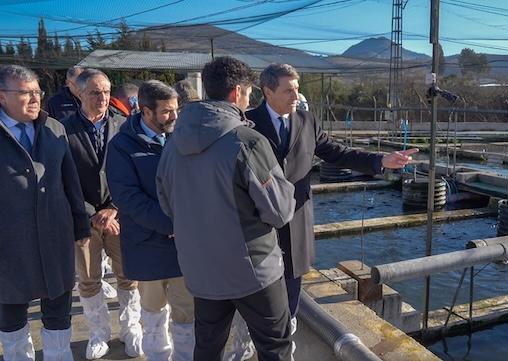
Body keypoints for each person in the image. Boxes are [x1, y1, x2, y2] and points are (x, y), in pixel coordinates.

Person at [245, 63, 417, 353]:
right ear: (267, 91)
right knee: (256, 297)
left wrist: (380, 161)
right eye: (288, 90)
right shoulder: (247, 122)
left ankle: (286, 348)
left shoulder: (306, 120)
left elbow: (337, 152)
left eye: (297, 89)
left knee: (291, 295)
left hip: (297, 220)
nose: (295, 96)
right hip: (258, 225)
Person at [156, 56, 296, 361]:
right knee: (275, 348)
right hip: (253, 271)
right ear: (236, 93)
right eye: (248, 92)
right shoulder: (248, 142)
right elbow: (280, 211)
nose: (249, 100)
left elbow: (167, 205)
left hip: (201, 270)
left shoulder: (172, 144)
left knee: (207, 347)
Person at [0, 64, 90, 361]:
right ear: (2, 97)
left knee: (58, 313)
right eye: (25, 93)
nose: (35, 98)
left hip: (55, 238)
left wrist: (80, 226)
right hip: (9, 246)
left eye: (37, 91)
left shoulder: (54, 128)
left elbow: (70, 182)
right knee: (11, 317)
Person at [106, 80, 194, 361]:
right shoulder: (122, 145)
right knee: (153, 311)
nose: (175, 117)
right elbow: (127, 197)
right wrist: (172, 225)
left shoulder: (181, 137)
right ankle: (157, 355)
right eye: (167, 111)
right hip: (147, 243)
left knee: (187, 312)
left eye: (176, 109)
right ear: (146, 112)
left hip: (184, 246)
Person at [60, 68, 143, 359]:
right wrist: (89, 212)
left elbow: (136, 172)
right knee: (89, 278)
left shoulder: (125, 125)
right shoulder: (62, 130)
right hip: (82, 218)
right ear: (79, 93)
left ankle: (132, 328)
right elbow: (62, 178)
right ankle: (99, 333)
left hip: (120, 216)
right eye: (95, 92)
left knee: (128, 275)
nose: (103, 98)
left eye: (106, 92)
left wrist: (115, 208)